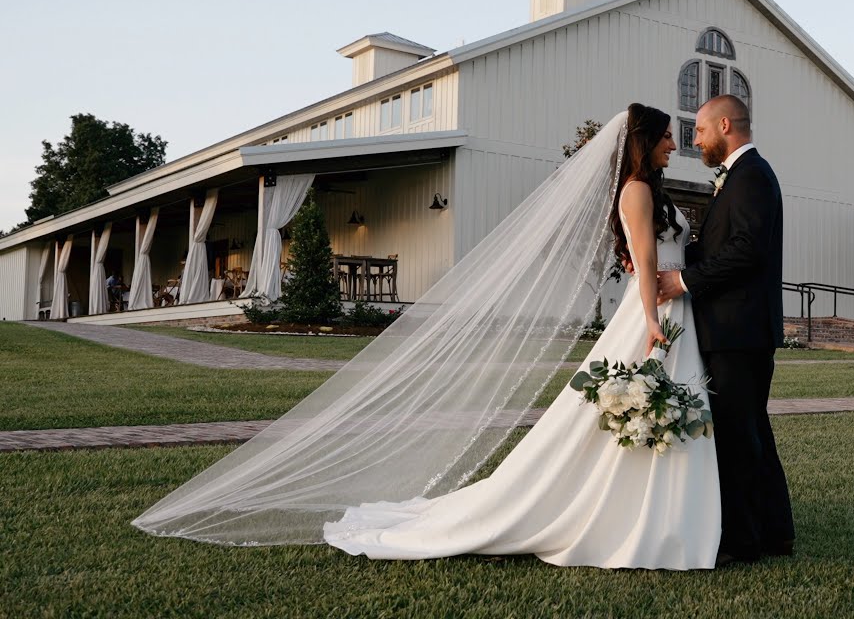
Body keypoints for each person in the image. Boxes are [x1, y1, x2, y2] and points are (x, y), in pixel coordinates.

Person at [135, 105, 723, 570]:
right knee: (621, 413)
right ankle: (631, 519)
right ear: (645, 141)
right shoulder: (638, 192)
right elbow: (645, 263)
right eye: (668, 136)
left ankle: (657, 518)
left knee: (646, 414)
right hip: (654, 316)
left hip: (672, 313)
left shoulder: (654, 189)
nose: (676, 144)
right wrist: (651, 322)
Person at [657, 94, 795, 563]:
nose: (694, 139)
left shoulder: (752, 176)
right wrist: (668, 261)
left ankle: (743, 541)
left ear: (723, 125)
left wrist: (683, 280)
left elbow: (746, 251)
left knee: (739, 437)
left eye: (697, 131)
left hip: (738, 331)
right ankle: (774, 532)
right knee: (751, 431)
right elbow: (720, 247)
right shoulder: (738, 177)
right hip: (737, 330)